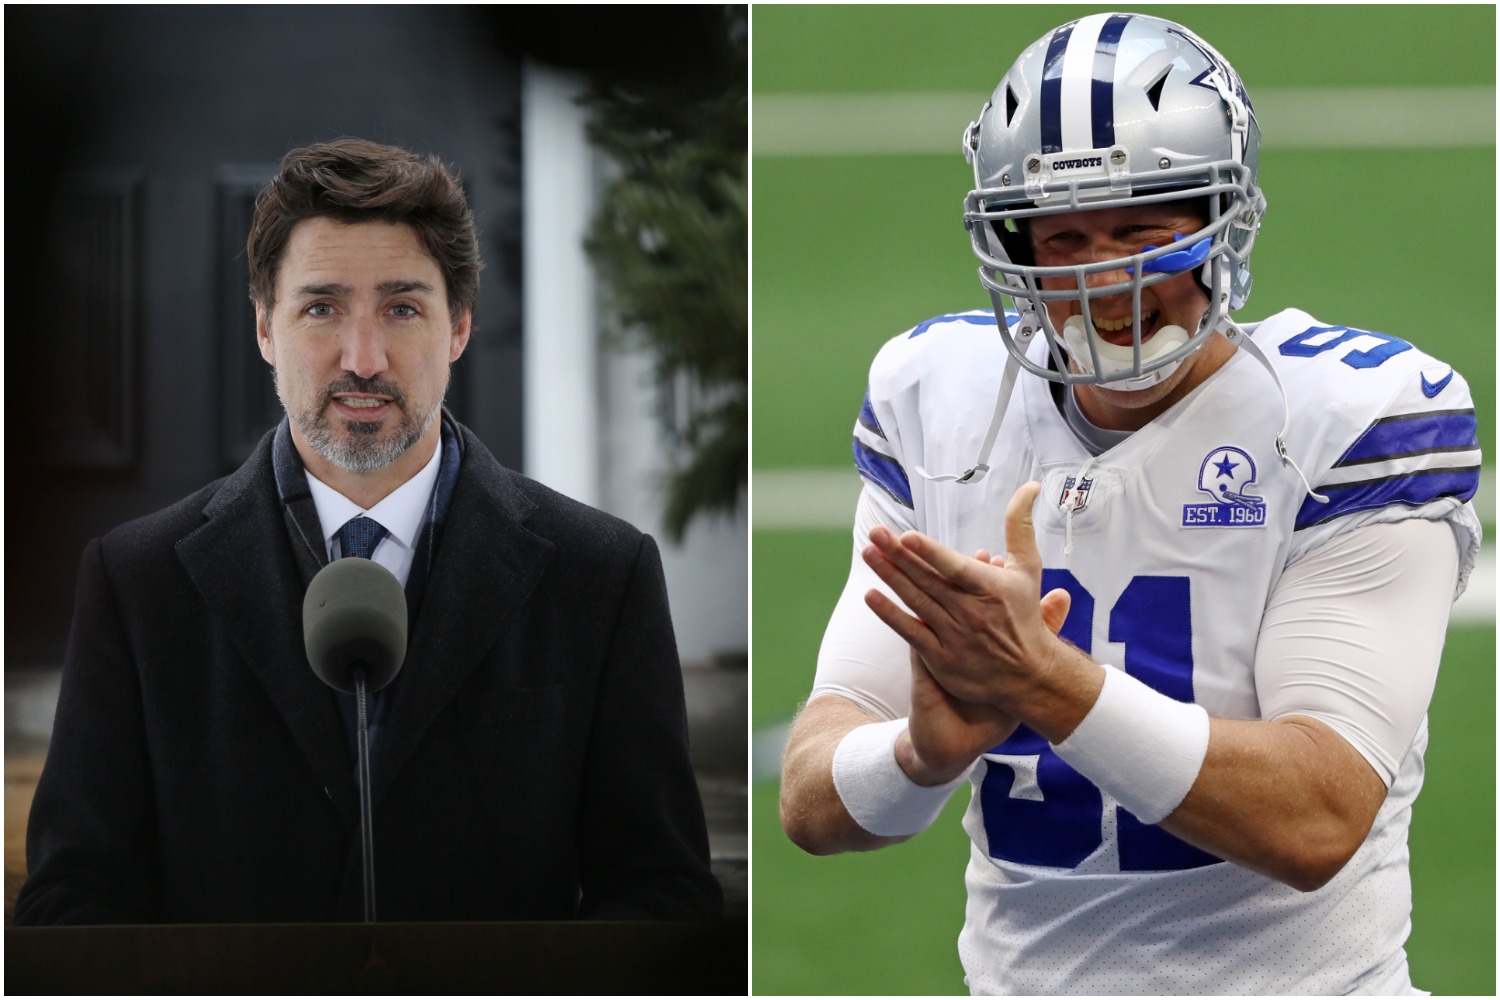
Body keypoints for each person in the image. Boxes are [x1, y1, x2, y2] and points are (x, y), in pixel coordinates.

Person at [779, 13, 1480, 995]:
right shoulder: (940, 399)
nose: (1105, 278)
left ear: (1217, 223)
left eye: (1142, 230)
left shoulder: (1349, 419)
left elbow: (1319, 815)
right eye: (1064, 237)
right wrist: (917, 754)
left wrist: (1045, 684)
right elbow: (812, 799)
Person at [16, 138, 721, 924]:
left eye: (401, 308)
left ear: (457, 328)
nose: (363, 358)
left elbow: (664, 895)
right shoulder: (136, 580)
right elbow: (69, 899)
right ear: (263, 329)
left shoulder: (602, 573)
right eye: (321, 307)